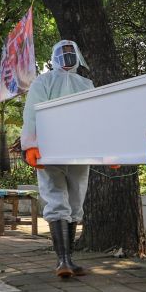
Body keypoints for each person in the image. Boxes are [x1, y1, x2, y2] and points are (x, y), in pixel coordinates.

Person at [21, 40, 94, 278]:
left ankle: (68, 261)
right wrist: (31, 145)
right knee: (56, 199)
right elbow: (32, 112)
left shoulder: (86, 83)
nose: (67, 56)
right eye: (63, 52)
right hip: (49, 151)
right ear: (54, 56)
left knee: (75, 202)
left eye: (70, 51)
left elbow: (97, 117)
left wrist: (106, 149)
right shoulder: (43, 81)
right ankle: (62, 260)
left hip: (79, 152)